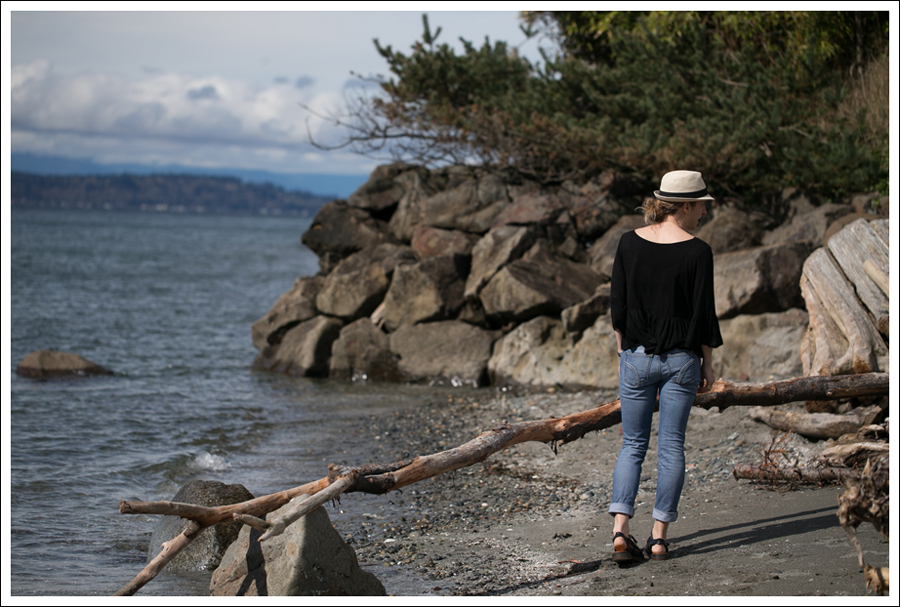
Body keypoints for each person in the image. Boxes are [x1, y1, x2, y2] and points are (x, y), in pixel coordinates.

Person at [608, 170, 723, 563]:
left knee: (632, 445)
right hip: (681, 361)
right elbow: (704, 314)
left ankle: (620, 532)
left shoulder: (628, 242)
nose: (705, 214)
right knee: (672, 447)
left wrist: (623, 352)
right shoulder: (698, 251)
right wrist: (708, 364)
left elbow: (618, 305)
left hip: (636, 357)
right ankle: (658, 539)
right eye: (702, 207)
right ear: (686, 206)